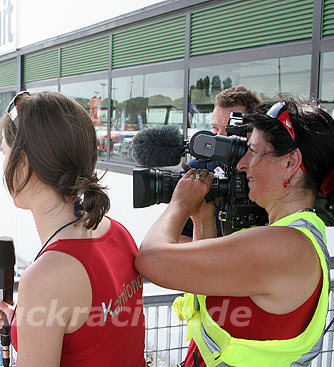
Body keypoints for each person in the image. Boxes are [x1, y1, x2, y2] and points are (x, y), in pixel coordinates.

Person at [136, 99, 334, 367]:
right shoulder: (289, 235)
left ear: (289, 163)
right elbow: (205, 286)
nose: (242, 165)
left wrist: (179, 205)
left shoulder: (285, 246)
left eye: (253, 151)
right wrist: (202, 218)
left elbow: (151, 260)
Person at [0, 91, 145, 366]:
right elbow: (96, 335)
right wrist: (26, 319)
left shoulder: (45, 279)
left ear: (23, 165)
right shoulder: (117, 233)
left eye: (4, 153)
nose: (3, 164)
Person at [180, 86, 261, 241]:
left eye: (231, 130)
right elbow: (180, 237)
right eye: (215, 128)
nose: (221, 137)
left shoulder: (269, 175)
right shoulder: (198, 169)